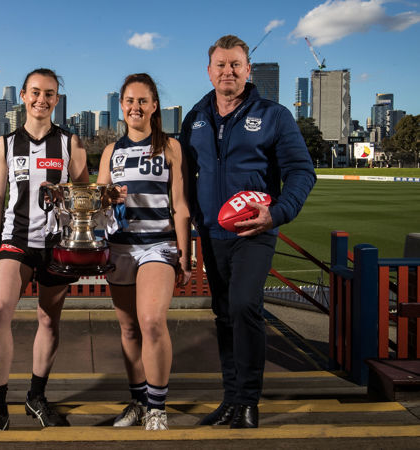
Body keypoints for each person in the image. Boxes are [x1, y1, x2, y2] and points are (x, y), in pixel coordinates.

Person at [179, 35, 316, 428]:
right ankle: (230, 399)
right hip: (212, 233)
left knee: (243, 306)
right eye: (221, 65)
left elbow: (301, 172)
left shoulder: (274, 115)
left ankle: (248, 401)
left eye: (236, 64)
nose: (228, 71)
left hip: (255, 230)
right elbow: (184, 175)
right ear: (209, 72)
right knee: (223, 313)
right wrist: (192, 222)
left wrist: (277, 214)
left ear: (248, 70)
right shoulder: (195, 117)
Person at [0, 68, 89, 431]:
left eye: (49, 94)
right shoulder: (5, 144)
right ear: (24, 96)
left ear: (56, 99)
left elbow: (84, 196)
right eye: (36, 92)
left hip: (56, 246)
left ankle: (36, 396)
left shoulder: (71, 144)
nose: (42, 99)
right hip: (15, 240)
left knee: (48, 319)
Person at [97, 73, 191, 431]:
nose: (135, 107)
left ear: (154, 106)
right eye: (129, 101)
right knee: (129, 329)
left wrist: (185, 253)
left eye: (142, 101)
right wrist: (107, 198)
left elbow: (180, 205)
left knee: (151, 321)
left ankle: (157, 407)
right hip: (120, 247)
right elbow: (98, 205)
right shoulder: (111, 151)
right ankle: (138, 401)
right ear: (121, 106)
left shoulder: (170, 147)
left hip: (158, 244)